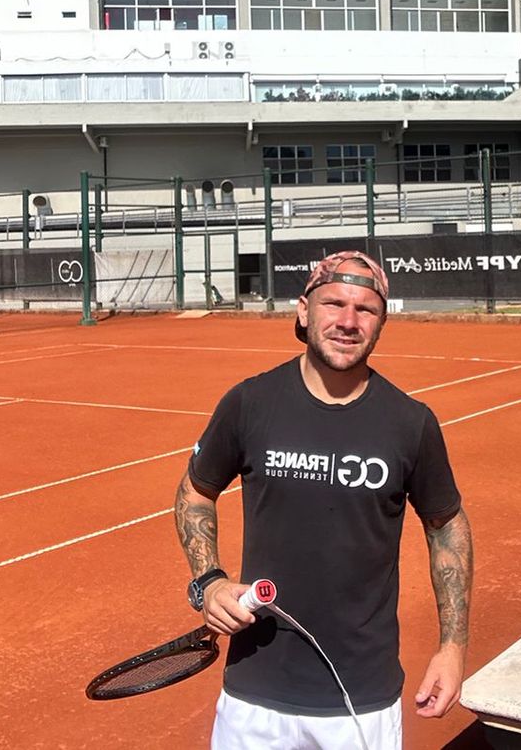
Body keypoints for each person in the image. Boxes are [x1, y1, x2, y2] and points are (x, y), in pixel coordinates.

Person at [174, 250, 472, 750]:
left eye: (366, 309)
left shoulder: (410, 423)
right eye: (334, 303)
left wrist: (453, 647)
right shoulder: (250, 403)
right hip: (255, 693)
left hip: (361, 700)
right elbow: (195, 491)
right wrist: (209, 582)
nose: (348, 321)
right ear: (303, 310)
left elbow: (447, 525)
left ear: (382, 323)